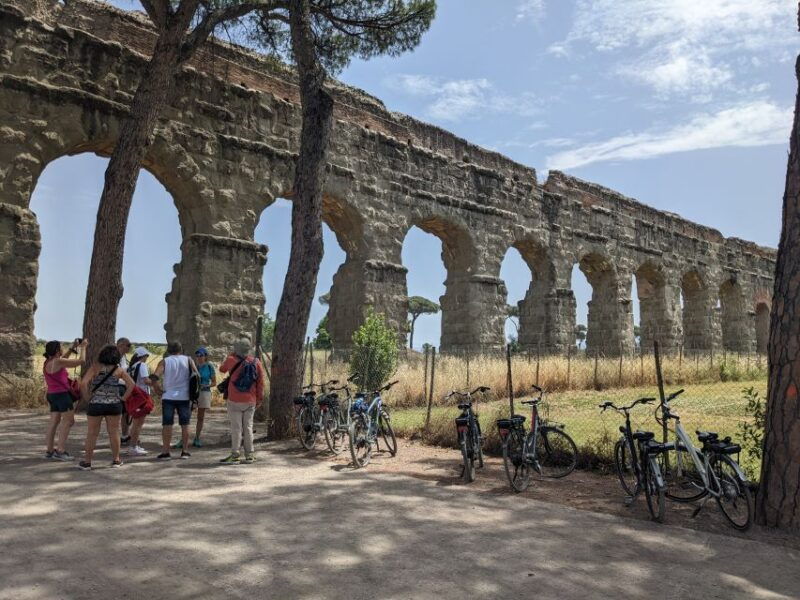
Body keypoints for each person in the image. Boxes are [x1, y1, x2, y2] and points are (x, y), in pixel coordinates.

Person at [78, 344, 135, 470]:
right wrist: (123, 398)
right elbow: (131, 384)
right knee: (114, 432)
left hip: (96, 403)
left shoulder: (95, 367)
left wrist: (87, 398)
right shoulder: (119, 370)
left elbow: (83, 384)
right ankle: (116, 460)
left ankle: (87, 462)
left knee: (92, 433)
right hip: (114, 404)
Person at [219, 339, 265, 465]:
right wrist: (259, 398)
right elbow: (260, 382)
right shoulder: (256, 362)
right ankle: (250, 455)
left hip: (234, 399)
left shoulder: (231, 360)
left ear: (237, 349)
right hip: (250, 400)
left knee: (236, 428)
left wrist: (230, 355)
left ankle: (235, 455)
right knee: (248, 427)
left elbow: (222, 369)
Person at [42, 339, 87, 460]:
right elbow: (81, 361)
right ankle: (60, 451)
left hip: (52, 395)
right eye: (61, 347)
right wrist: (83, 347)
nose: (63, 348)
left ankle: (49, 451)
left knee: (53, 423)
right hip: (62, 395)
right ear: (57, 350)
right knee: (68, 421)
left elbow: (63, 359)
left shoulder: (48, 362)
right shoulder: (58, 361)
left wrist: (72, 348)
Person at [154, 342, 198, 460]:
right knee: (185, 424)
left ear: (168, 350)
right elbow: (197, 376)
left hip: (168, 396)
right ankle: (185, 451)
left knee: (167, 424)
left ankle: (166, 452)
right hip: (184, 396)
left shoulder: (164, 361)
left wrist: (157, 389)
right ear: (181, 349)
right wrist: (194, 396)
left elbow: (155, 376)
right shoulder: (189, 360)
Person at [126, 346, 153, 456]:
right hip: (142, 396)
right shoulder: (142, 365)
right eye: (146, 356)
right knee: (138, 423)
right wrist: (154, 381)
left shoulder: (132, 366)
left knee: (135, 423)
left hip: (135, 396)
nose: (147, 358)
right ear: (143, 356)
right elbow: (146, 381)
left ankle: (134, 445)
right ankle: (133, 447)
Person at [192, 347, 216, 448]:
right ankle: (183, 439)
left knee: (200, 417)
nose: (198, 357)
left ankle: (197, 438)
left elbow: (214, 382)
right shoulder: (194, 366)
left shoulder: (209, 367)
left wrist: (206, 385)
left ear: (205, 356)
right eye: (197, 355)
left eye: (201, 355)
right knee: (186, 415)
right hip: (193, 393)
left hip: (204, 392)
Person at [116, 337, 132, 445]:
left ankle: (125, 435)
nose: (130, 347)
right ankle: (117, 437)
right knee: (117, 414)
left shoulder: (124, 357)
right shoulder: (114, 357)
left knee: (126, 413)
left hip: (124, 387)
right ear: (121, 345)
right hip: (117, 387)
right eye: (128, 345)